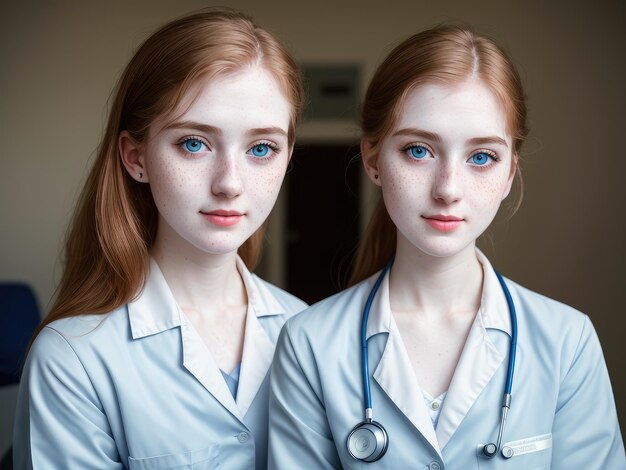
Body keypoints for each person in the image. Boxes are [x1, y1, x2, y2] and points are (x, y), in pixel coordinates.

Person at [268, 25, 625, 469]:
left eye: (481, 157)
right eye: (419, 151)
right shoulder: (309, 344)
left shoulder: (567, 343)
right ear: (374, 159)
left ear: (510, 173)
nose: (448, 189)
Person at [14, 8, 306, 469]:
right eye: (194, 143)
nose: (229, 182)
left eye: (260, 148)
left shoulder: (313, 333)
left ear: (287, 159)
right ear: (136, 158)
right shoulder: (72, 358)